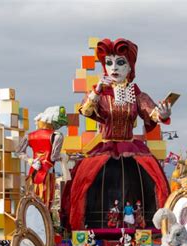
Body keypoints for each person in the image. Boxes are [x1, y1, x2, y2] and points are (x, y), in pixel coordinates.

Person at [65, 38, 172, 230]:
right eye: (109, 63)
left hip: (131, 148)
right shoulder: (100, 93)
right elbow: (86, 110)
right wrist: (97, 90)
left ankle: (158, 226)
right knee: (85, 180)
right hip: (105, 148)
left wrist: (162, 114)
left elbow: (151, 112)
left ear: (130, 67)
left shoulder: (136, 93)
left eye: (120, 62)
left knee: (153, 177)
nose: (114, 68)